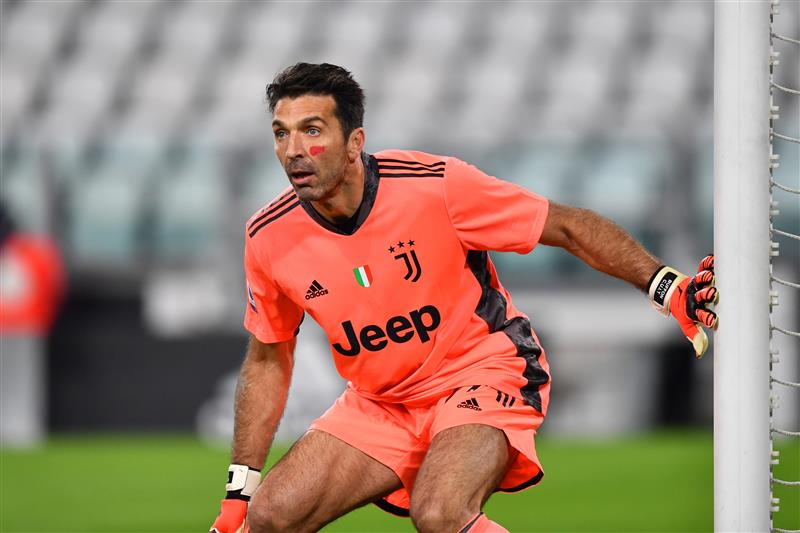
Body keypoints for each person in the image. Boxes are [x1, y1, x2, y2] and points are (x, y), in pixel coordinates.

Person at [209, 63, 717, 533]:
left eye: (312, 130)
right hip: (382, 403)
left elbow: (566, 225)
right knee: (270, 518)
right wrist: (237, 496)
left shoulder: (434, 187)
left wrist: (666, 286)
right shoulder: (268, 236)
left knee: (441, 512)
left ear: (353, 141)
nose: (293, 149)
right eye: (281, 133)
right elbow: (268, 357)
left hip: (482, 371)